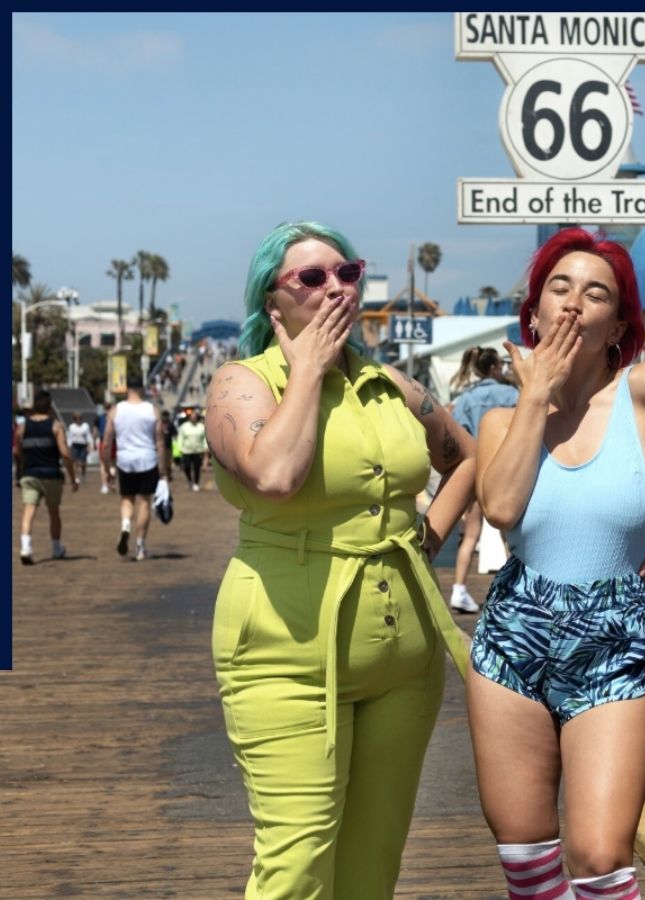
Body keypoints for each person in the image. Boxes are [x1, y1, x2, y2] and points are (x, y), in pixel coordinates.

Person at [468, 228, 645, 898]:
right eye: (558, 288)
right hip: (515, 637)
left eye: (594, 293)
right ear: (533, 312)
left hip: (616, 638)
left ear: (618, 324)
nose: (573, 304)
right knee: (530, 867)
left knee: (600, 859)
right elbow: (503, 510)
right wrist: (537, 396)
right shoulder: (499, 424)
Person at [206, 221, 476, 899]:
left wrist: (430, 535)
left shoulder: (390, 385)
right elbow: (275, 474)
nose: (335, 288)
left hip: (405, 660)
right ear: (273, 303)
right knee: (295, 869)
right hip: (285, 656)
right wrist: (306, 370)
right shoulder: (242, 386)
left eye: (346, 273)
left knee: (371, 868)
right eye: (311, 277)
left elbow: (468, 459)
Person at [448, 346, 519, 613]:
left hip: (476, 470)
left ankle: (458, 590)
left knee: (470, 536)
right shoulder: (512, 394)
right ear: (493, 368)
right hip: (506, 471)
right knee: (510, 537)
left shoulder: (466, 398)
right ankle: (516, 593)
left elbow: (457, 437)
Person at [102, 373, 168, 562]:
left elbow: (107, 441)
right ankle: (140, 547)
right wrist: (163, 470)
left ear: (126, 389)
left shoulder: (116, 410)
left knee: (126, 499)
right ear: (142, 389)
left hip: (125, 460)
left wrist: (107, 468)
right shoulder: (152, 410)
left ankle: (125, 526)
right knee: (145, 502)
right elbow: (160, 442)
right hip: (147, 459)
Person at [15, 390, 79, 564]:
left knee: (28, 511)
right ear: (49, 407)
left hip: (30, 474)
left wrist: (20, 471)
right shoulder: (55, 426)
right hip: (51, 475)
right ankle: (56, 547)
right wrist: (73, 477)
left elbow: (17, 451)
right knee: (53, 512)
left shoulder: (23, 427)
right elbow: (65, 454)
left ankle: (25, 547)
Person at [176, 407, 207, 492]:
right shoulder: (184, 426)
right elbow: (180, 437)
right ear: (189, 418)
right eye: (192, 417)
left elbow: (205, 438)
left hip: (198, 450)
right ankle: (189, 480)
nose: (193, 418)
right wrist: (180, 448)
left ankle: (196, 483)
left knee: (197, 468)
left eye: (195, 417)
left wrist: (205, 447)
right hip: (186, 451)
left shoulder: (201, 426)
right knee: (187, 467)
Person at [66, 412, 92, 484]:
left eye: (80, 418)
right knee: (75, 462)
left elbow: (88, 436)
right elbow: (69, 438)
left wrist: (89, 445)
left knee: (83, 462)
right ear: (74, 419)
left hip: (83, 445)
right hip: (75, 445)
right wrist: (68, 447)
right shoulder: (71, 427)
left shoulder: (85, 426)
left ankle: (83, 474)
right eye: (76, 418)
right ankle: (77, 477)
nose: (78, 420)